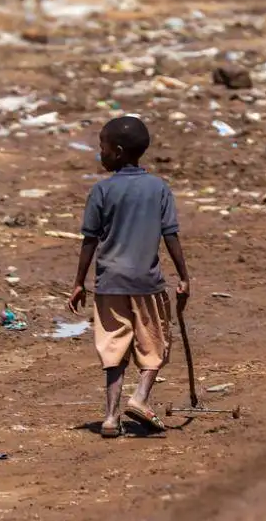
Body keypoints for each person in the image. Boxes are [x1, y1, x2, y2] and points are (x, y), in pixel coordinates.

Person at [68, 116, 190, 438]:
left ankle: (110, 417)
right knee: (154, 345)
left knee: (113, 350)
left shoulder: (101, 190)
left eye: (103, 149)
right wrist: (184, 276)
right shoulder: (158, 189)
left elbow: (90, 240)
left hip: (109, 284)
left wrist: (79, 282)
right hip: (146, 283)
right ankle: (140, 398)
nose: (100, 155)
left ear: (118, 152)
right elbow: (171, 235)